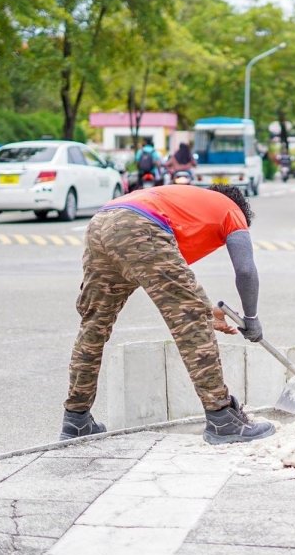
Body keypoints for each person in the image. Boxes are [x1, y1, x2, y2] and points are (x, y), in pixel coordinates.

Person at [60, 184, 275, 444]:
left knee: (94, 325)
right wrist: (251, 317)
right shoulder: (232, 210)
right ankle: (222, 419)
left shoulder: (183, 205)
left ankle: (76, 420)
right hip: (139, 225)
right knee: (190, 319)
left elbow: (165, 281)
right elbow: (245, 270)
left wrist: (206, 310)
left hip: (101, 223)